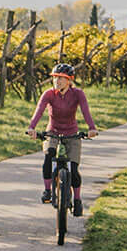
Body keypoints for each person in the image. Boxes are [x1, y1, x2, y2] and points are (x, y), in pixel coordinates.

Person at [28, 61, 97, 214]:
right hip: (52, 131)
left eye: (61, 78)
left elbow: (85, 111)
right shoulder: (49, 94)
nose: (57, 81)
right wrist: (32, 128)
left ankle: (77, 199)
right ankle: (47, 190)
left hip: (72, 133)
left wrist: (91, 128)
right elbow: (39, 111)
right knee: (48, 156)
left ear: (69, 80)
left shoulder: (78, 94)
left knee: (73, 168)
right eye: (55, 78)